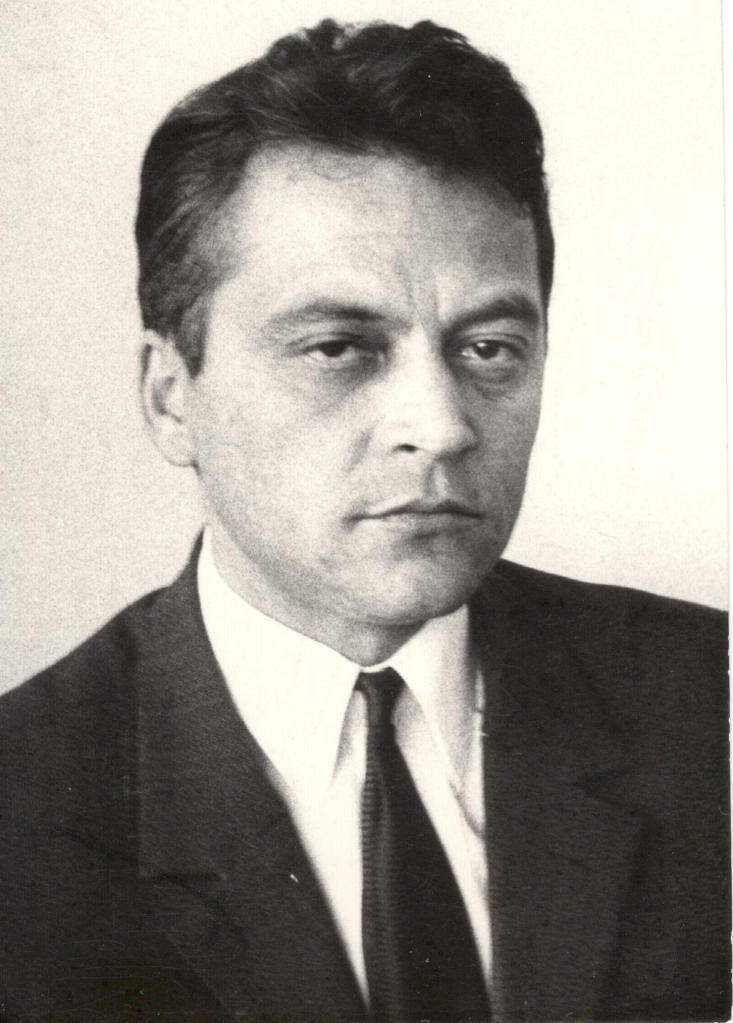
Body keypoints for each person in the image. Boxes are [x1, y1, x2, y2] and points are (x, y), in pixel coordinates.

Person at [0, 18, 728, 1023]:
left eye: (489, 348)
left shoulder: (707, 706)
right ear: (170, 398)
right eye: (338, 348)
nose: (441, 426)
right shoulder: (24, 813)